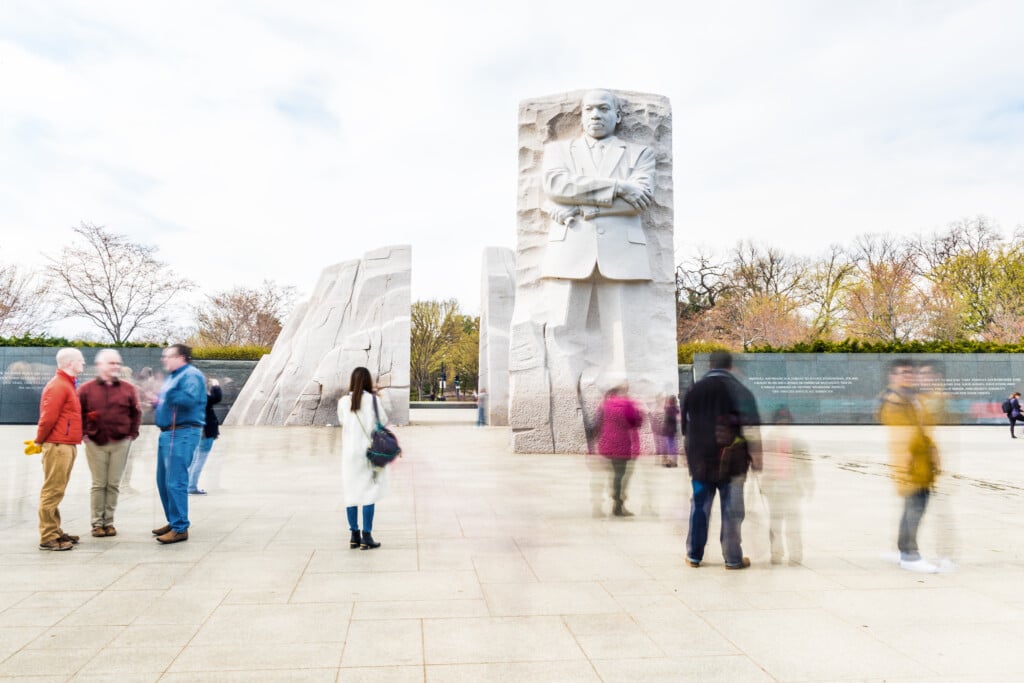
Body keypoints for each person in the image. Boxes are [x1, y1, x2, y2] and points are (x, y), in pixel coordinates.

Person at [537, 89, 659, 420]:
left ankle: (623, 412)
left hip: (623, 253)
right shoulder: (559, 151)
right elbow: (556, 187)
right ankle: (564, 408)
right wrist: (618, 187)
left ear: (618, 115)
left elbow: (642, 198)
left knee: (624, 338)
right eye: (589, 108)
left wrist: (584, 207)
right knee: (561, 331)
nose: (595, 114)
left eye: (604, 108)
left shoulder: (640, 153)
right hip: (569, 249)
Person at [681, 351, 762, 569]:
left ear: (710, 365)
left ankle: (694, 556)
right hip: (732, 462)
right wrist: (756, 458)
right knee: (732, 510)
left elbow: (685, 428)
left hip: (700, 461)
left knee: (699, 506)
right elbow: (751, 428)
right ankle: (733, 558)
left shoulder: (693, 390)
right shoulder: (740, 390)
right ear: (730, 366)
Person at [878, 358, 941, 573]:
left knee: (912, 506)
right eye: (902, 373)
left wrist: (932, 452)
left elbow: (923, 428)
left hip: (921, 461)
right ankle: (910, 555)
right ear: (893, 377)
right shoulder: (895, 403)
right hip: (911, 464)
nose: (908, 376)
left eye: (910, 372)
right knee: (916, 507)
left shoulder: (913, 399)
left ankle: (902, 549)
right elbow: (905, 437)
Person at [77, 349, 141, 537]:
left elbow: (135, 413)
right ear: (100, 366)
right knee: (99, 483)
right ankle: (97, 523)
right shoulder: (86, 389)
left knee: (113, 484)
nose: (115, 367)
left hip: (121, 442)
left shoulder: (128, 389)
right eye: (111, 363)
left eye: (117, 363)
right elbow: (77, 412)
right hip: (95, 442)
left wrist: (131, 434)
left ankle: (109, 522)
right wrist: (84, 435)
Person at [152, 344, 207, 544]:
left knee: (176, 481)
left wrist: (167, 394)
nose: (164, 360)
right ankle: (174, 520)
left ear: (181, 357)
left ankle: (180, 527)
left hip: (182, 433)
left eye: (168, 356)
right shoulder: (175, 376)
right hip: (168, 433)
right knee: (163, 481)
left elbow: (189, 400)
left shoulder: (191, 375)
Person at [35, 348, 86, 551]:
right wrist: (39, 440)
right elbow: (47, 417)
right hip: (58, 445)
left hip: (66, 444)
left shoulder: (67, 384)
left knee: (57, 489)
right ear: (69, 363)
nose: (83, 363)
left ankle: (55, 530)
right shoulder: (58, 386)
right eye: (80, 360)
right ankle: (48, 536)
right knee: (52, 490)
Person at [338, 366, 390, 550]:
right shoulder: (373, 401)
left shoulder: (344, 401)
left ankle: (354, 535)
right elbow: (383, 421)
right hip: (368, 452)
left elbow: (343, 421)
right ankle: (367, 536)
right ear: (368, 381)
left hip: (349, 454)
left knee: (350, 494)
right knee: (369, 493)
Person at [760, 408, 812, 566]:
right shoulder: (768, 440)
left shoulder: (797, 440)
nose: (783, 425)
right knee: (776, 523)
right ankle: (777, 553)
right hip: (775, 487)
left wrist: (809, 485)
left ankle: (794, 554)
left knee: (792, 523)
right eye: (780, 421)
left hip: (792, 487)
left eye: (785, 422)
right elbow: (762, 464)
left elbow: (806, 465)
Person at [596, 385, 643, 517]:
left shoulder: (605, 405)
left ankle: (615, 500)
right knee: (620, 476)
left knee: (615, 475)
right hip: (622, 445)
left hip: (607, 444)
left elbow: (598, 422)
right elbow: (636, 422)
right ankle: (618, 505)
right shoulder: (628, 404)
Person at [188, 378, 222, 495]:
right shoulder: (202, 398)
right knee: (200, 460)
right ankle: (191, 486)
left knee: (194, 459)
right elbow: (217, 398)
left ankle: (188, 484)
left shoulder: (191, 397)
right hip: (205, 432)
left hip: (196, 431)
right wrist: (216, 386)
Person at [659, 395, 680, 467]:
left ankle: (672, 461)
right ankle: (674, 461)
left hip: (668, 431)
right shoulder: (675, 409)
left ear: (670, 401)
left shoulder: (669, 409)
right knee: (672, 445)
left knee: (670, 446)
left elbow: (668, 420)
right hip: (673, 430)